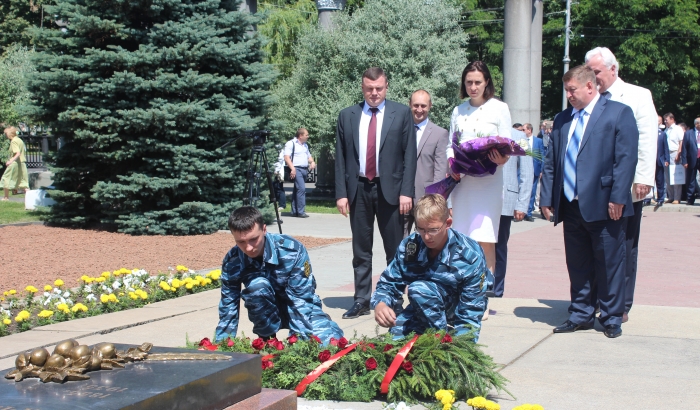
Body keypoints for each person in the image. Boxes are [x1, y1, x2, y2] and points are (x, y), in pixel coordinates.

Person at [540, 65, 638, 339]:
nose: (569, 95)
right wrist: (546, 197)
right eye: (566, 90)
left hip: (606, 204)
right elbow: (552, 161)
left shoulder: (618, 113)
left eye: (572, 90)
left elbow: (626, 159)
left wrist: (618, 197)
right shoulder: (563, 119)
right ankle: (581, 314)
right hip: (570, 204)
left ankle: (611, 317)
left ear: (590, 87)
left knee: (609, 263)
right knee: (578, 263)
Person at [334, 67, 417, 319]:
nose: (374, 93)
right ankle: (361, 299)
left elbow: (409, 156)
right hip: (358, 189)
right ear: (362, 88)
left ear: (386, 87)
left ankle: (394, 298)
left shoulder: (401, 113)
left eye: (379, 88)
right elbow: (341, 158)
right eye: (369, 88)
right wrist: (341, 193)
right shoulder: (347, 116)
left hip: (391, 191)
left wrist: (407, 191)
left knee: (394, 249)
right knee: (361, 249)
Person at [584, 46, 658, 322]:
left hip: (626, 185)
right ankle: (595, 299)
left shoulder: (638, 95)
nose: (592, 77)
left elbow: (647, 137)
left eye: (596, 71)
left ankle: (621, 303)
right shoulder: (588, 98)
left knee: (624, 245)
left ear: (613, 69)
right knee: (594, 246)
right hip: (593, 187)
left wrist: (643, 178)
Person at [216, 206, 343, 344]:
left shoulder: (292, 250)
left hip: (300, 308)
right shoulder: (232, 260)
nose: (248, 248)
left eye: (253, 239)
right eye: (241, 242)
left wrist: (298, 342)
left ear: (264, 229)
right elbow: (229, 305)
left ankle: (328, 325)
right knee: (257, 287)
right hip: (266, 313)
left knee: (325, 345)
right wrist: (222, 345)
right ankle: (267, 340)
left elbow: (300, 300)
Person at [371, 194, 489, 340]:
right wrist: (381, 303)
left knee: (419, 289)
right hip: (423, 308)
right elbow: (389, 282)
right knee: (395, 339)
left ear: (448, 223)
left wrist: (462, 345)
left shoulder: (469, 255)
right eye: (421, 229)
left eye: (433, 230)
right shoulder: (411, 246)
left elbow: (471, 310)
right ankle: (433, 333)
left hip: (456, 310)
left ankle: (441, 337)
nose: (426, 237)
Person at [447, 60, 511, 280]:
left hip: (489, 183)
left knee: (485, 237)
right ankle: (462, 289)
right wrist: (451, 163)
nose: (473, 87)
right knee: (462, 238)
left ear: (486, 83)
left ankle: (483, 292)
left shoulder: (500, 108)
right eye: (469, 82)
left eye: (477, 82)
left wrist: (502, 158)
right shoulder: (458, 110)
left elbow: (508, 144)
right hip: (464, 183)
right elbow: (450, 144)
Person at [493, 128, 533, 297]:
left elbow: (527, 172)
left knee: (499, 246)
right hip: (479, 197)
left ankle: (496, 288)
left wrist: (522, 204)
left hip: (506, 198)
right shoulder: (481, 130)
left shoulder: (519, 136)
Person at [404, 89, 449, 236]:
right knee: (399, 243)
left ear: (430, 106)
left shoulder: (440, 133)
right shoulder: (400, 130)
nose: (419, 109)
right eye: (416, 105)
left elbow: (440, 170)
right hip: (402, 198)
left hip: (425, 199)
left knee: (426, 241)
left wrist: (434, 200)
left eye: (423, 106)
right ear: (410, 104)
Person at [284, 128, 316, 218]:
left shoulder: (305, 145)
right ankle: (301, 211)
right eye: (306, 135)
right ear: (300, 136)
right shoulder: (291, 143)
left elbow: (308, 156)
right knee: (301, 189)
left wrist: (312, 162)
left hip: (304, 169)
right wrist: (292, 169)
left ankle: (294, 211)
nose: (308, 136)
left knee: (297, 189)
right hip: (296, 169)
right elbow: (286, 157)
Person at [523, 123, 544, 222]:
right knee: (522, 191)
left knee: (532, 191)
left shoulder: (538, 141)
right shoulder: (521, 140)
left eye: (524, 130)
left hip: (534, 169)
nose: (522, 132)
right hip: (523, 169)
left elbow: (542, 155)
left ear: (529, 130)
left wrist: (542, 170)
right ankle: (520, 212)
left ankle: (529, 213)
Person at [1, 127, 29, 201]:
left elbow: (18, 153)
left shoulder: (13, 141)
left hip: (15, 163)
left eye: (6, 133)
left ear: (10, 134)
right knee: (23, 180)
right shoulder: (19, 140)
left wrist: (10, 161)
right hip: (22, 163)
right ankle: (30, 198)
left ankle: (6, 197)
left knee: (6, 178)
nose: (5, 135)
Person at [663, 113, 684, 204]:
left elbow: (681, 141)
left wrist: (679, 153)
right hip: (666, 154)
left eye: (666, 120)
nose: (665, 122)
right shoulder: (666, 130)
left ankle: (677, 197)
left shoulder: (677, 129)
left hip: (674, 152)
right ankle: (670, 196)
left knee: (676, 176)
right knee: (667, 177)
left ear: (672, 119)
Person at [682, 118, 700, 205]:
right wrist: (684, 161)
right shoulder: (688, 133)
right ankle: (690, 198)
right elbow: (684, 148)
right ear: (696, 124)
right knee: (690, 180)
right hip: (691, 159)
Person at [654, 115, 670, 207]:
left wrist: (666, 159)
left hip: (659, 160)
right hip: (650, 161)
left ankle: (660, 198)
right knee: (649, 180)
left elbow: (665, 148)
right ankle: (647, 198)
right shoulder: (649, 133)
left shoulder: (663, 134)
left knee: (660, 180)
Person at [272, 146, 287, 210]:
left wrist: (276, 170)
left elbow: (280, 160)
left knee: (279, 188)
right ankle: (275, 203)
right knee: (274, 188)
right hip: (275, 170)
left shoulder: (278, 148)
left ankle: (282, 205)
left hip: (277, 172)